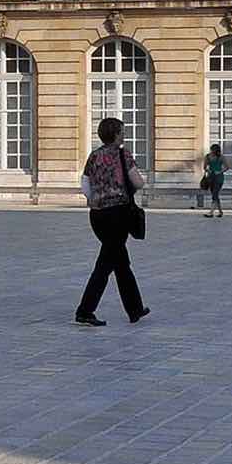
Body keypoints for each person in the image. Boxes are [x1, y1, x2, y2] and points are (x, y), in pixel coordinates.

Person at [75, 116, 148, 326]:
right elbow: (138, 182)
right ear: (116, 134)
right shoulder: (122, 154)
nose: (123, 135)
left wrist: (94, 199)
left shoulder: (94, 156)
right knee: (106, 264)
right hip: (118, 213)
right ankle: (85, 311)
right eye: (122, 132)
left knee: (119, 261)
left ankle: (135, 309)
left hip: (97, 215)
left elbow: (85, 182)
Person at [203, 143, 226, 218]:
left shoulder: (221, 157)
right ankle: (220, 212)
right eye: (211, 150)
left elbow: (227, 167)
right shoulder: (207, 156)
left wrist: (220, 171)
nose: (211, 151)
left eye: (213, 150)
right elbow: (205, 167)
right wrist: (208, 170)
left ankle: (211, 212)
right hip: (211, 177)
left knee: (215, 194)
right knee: (215, 194)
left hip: (219, 178)